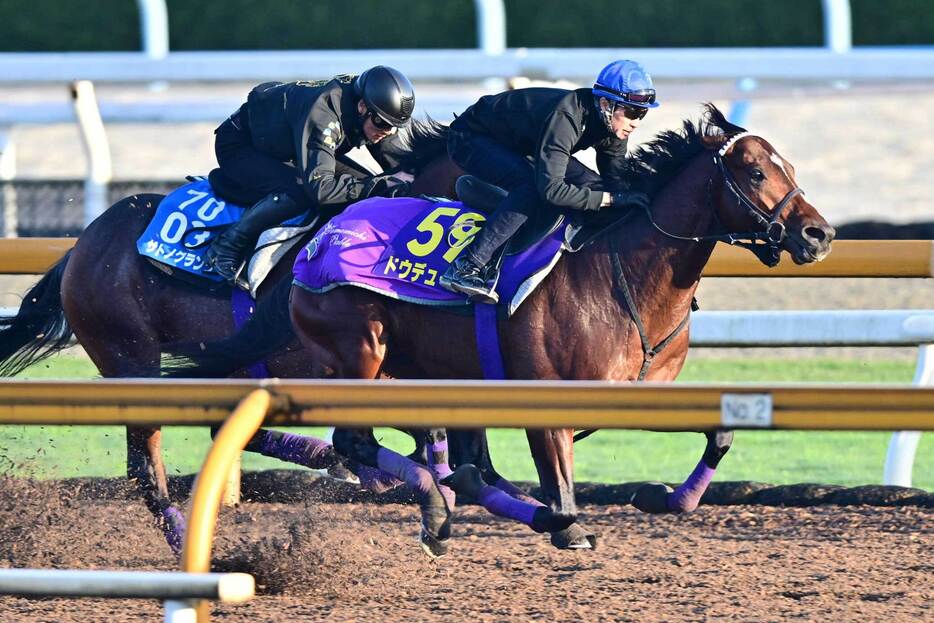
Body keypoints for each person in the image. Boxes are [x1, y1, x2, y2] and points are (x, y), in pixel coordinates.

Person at [440, 59, 658, 304]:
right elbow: (551, 191)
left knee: (594, 185)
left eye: (642, 113)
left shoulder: (613, 127)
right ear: (606, 104)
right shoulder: (566, 117)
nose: (636, 122)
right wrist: (609, 199)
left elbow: (616, 182)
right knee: (530, 188)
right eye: (631, 112)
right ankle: (467, 265)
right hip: (471, 137)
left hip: (523, 143)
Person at [205, 66, 416, 286]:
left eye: (395, 127)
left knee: (366, 181)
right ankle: (226, 246)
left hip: (286, 145)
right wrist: (382, 184)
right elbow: (321, 189)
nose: (389, 132)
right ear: (362, 106)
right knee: (301, 191)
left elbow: (398, 165)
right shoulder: (324, 113)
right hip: (242, 145)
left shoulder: (375, 108)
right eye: (383, 123)